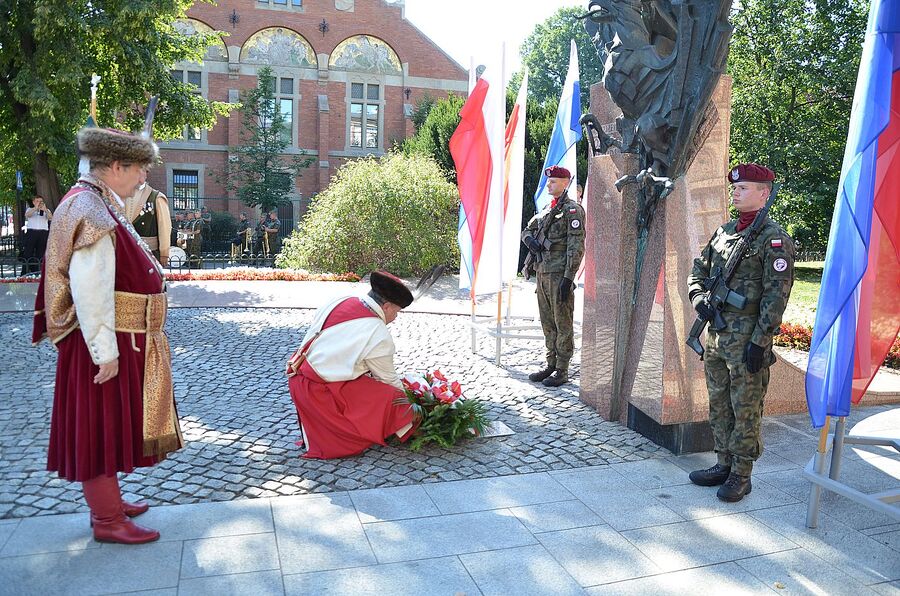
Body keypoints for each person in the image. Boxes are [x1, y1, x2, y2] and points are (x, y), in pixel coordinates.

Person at [31, 126, 183, 544]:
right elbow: (91, 288)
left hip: (115, 337)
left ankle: (110, 502)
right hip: (103, 342)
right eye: (138, 169)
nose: (142, 177)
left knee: (111, 425)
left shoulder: (95, 201)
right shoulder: (91, 209)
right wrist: (104, 352)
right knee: (99, 429)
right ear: (116, 166)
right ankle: (107, 519)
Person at [687, 163, 795, 502]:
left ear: (764, 194)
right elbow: (698, 270)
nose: (735, 192)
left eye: (743, 188)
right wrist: (698, 298)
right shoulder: (724, 232)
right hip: (718, 336)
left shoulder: (774, 239)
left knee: (746, 407)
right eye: (734, 188)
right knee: (719, 403)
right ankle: (723, 462)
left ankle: (741, 474)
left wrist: (760, 342)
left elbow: (776, 297)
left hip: (747, 337)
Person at [286, 271, 416, 459]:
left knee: (368, 381)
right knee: (393, 396)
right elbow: (388, 379)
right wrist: (412, 407)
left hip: (297, 378)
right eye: (397, 312)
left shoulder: (341, 300)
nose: (395, 317)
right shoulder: (378, 332)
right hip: (317, 393)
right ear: (386, 306)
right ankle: (352, 433)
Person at [521, 166, 586, 387]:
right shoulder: (547, 211)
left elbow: (576, 247)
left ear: (565, 183)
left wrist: (568, 277)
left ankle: (562, 369)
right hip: (542, 272)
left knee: (562, 322)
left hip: (559, 274)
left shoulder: (572, 211)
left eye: (553, 181)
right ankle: (551, 363)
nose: (549, 185)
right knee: (547, 321)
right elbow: (527, 230)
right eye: (549, 181)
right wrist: (530, 241)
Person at [126, 184, 171, 266]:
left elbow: (164, 228)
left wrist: (164, 252)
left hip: (149, 254)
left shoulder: (156, 197)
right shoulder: (120, 194)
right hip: (124, 252)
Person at [22, 196, 53, 274]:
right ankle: (25, 272)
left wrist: (45, 210)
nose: (39, 203)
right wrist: (35, 208)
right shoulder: (30, 209)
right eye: (37, 201)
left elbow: (50, 218)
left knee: (41, 253)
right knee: (28, 252)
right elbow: (27, 215)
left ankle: (38, 271)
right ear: (33, 202)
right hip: (32, 232)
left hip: (43, 233)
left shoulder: (47, 210)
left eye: (41, 201)